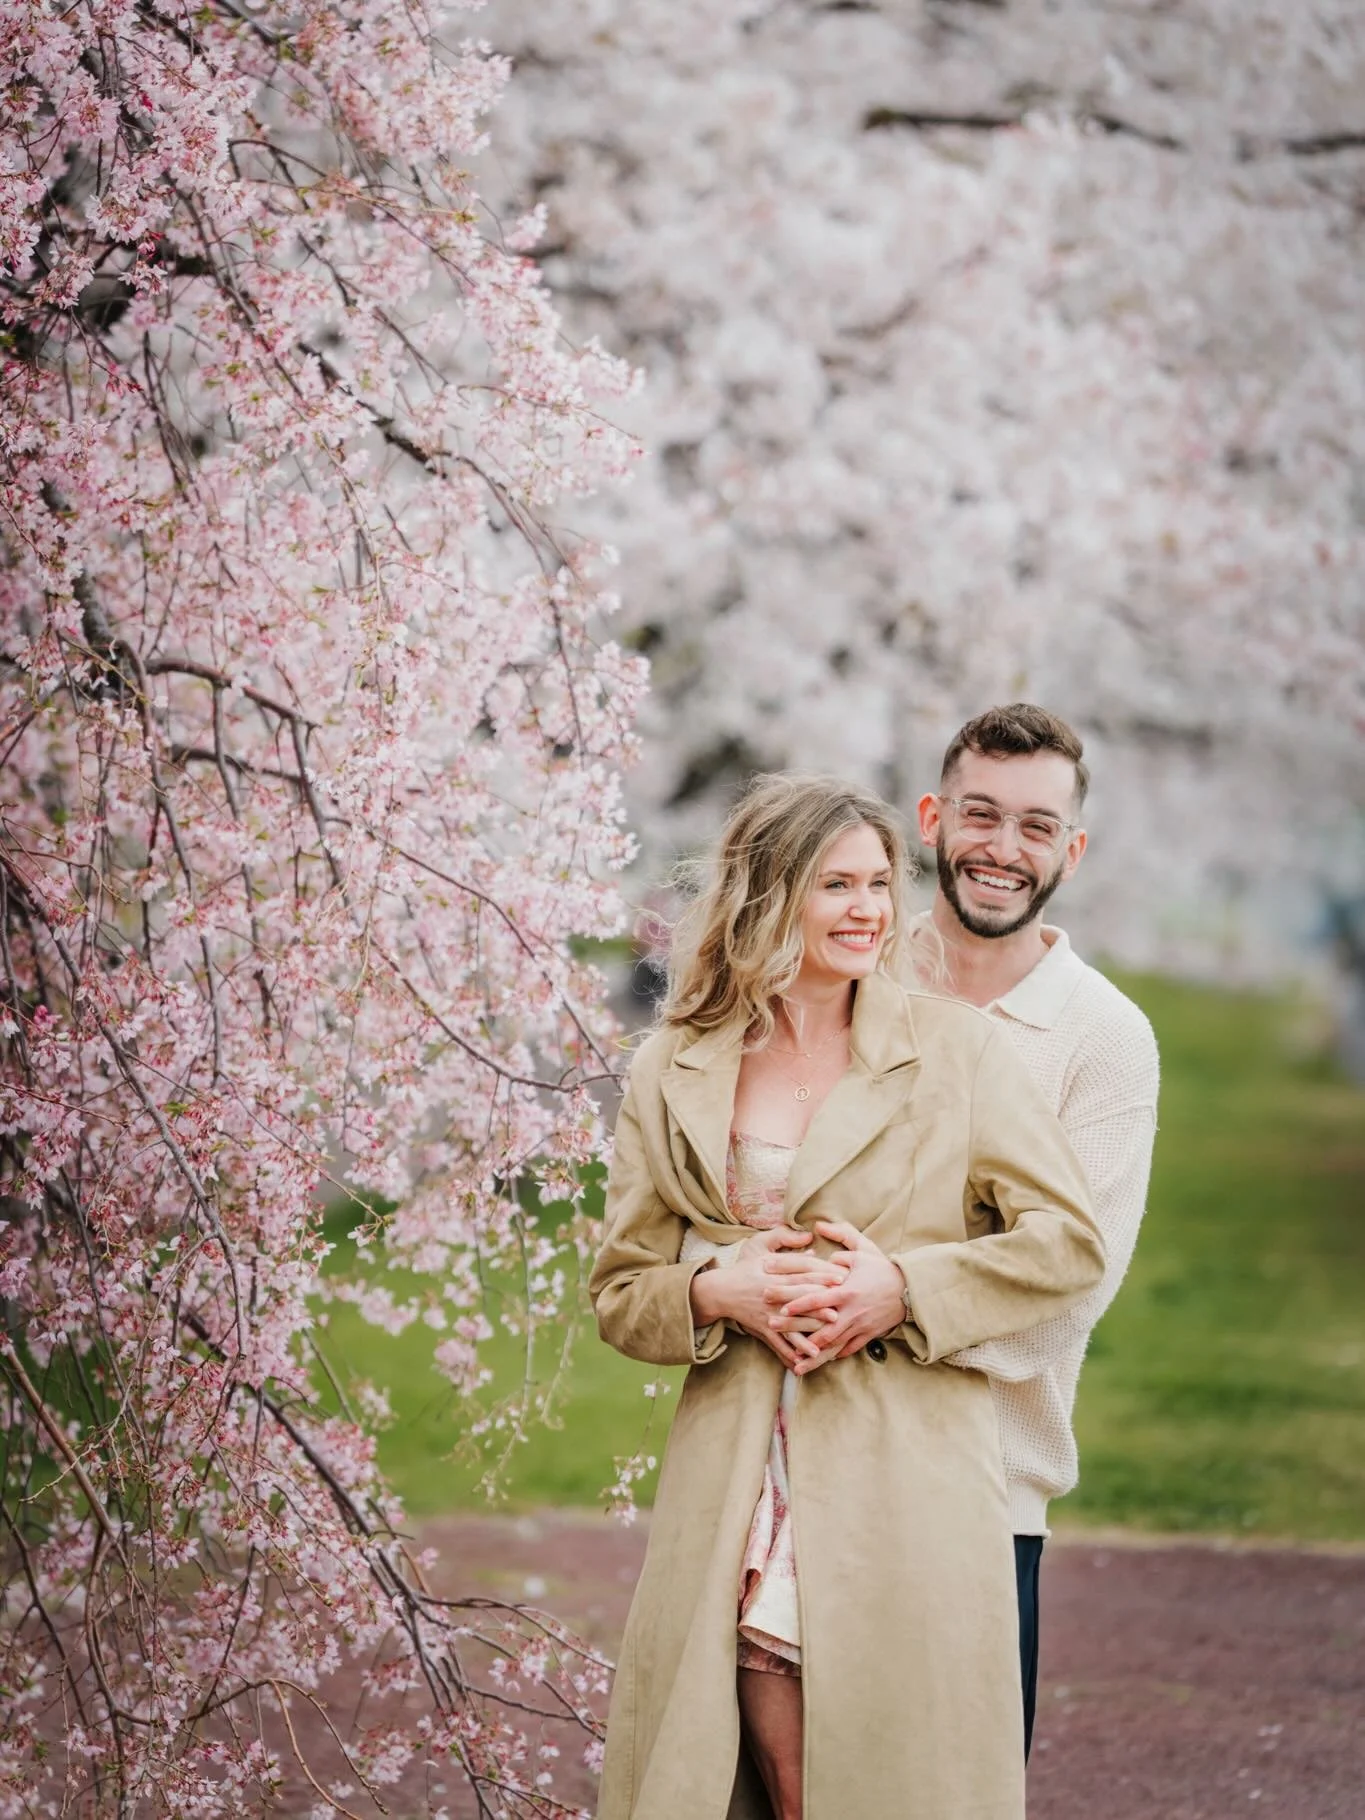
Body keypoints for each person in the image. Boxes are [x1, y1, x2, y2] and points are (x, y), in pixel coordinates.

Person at [589, 774, 1106, 1820]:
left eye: (881, 881)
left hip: (899, 1461)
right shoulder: (672, 1065)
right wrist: (715, 1286)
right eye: (837, 884)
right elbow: (621, 1290)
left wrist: (903, 1284)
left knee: (884, 1762)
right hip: (738, 1462)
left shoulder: (955, 1050)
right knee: (757, 1735)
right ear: (769, 895)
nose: (871, 908)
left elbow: (1067, 1242)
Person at [915, 703, 1161, 1758]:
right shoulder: (851, 975)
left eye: (1035, 826)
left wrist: (885, 1302)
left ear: (1072, 847)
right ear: (932, 818)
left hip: (986, 1481)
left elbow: (1068, 1288)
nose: (1002, 850)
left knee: (955, 1784)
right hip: (807, 1462)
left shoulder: (1104, 1035)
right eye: (981, 815)